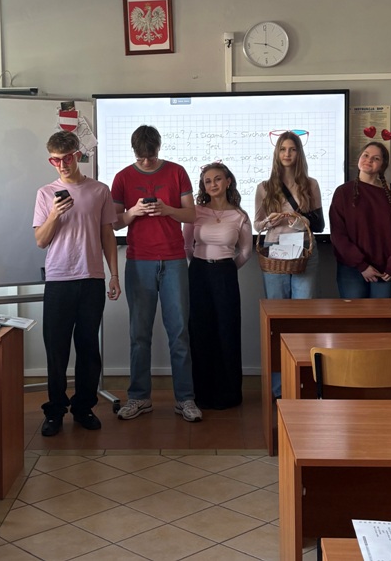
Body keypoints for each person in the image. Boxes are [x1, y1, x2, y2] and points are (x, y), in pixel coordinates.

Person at [111, 125, 201, 422]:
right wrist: (133, 212)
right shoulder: (123, 177)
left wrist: (167, 210)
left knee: (179, 333)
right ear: (134, 152)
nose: (147, 162)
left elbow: (191, 214)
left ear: (159, 148)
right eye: (141, 157)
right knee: (139, 334)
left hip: (174, 260)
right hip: (139, 261)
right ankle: (139, 397)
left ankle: (185, 399)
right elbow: (114, 222)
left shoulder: (177, 172)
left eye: (151, 156)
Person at [34, 130, 120, 436]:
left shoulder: (99, 190)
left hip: (91, 279)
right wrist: (54, 215)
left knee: (88, 349)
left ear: (77, 155)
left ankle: (83, 408)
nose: (62, 165)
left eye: (67, 158)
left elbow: (107, 234)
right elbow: (41, 240)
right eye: (55, 160)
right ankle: (55, 411)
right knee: (56, 351)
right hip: (59, 280)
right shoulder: (46, 194)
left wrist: (114, 274)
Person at [184, 162, 252, 410]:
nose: (213, 184)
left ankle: (229, 393)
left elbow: (245, 252)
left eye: (217, 179)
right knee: (200, 331)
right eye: (207, 181)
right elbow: (187, 246)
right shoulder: (195, 212)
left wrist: (225, 269)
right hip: (198, 273)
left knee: (227, 331)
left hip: (225, 274)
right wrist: (202, 266)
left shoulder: (240, 216)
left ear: (228, 181)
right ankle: (202, 393)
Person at [329, 141, 391, 299]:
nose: (369, 160)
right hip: (352, 269)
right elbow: (338, 235)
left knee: (379, 314)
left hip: (384, 271)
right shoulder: (343, 193)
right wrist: (361, 265)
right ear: (359, 159)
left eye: (376, 158)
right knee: (354, 314)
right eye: (366, 155)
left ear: (383, 165)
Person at [254, 131, 324, 300]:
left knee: (303, 304)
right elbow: (257, 225)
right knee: (276, 304)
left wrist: (302, 222)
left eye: (292, 149)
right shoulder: (264, 187)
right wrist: (269, 222)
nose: (287, 154)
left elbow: (319, 225)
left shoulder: (311, 184)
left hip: (304, 247)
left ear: (299, 153)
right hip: (274, 248)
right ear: (277, 153)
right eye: (283, 149)